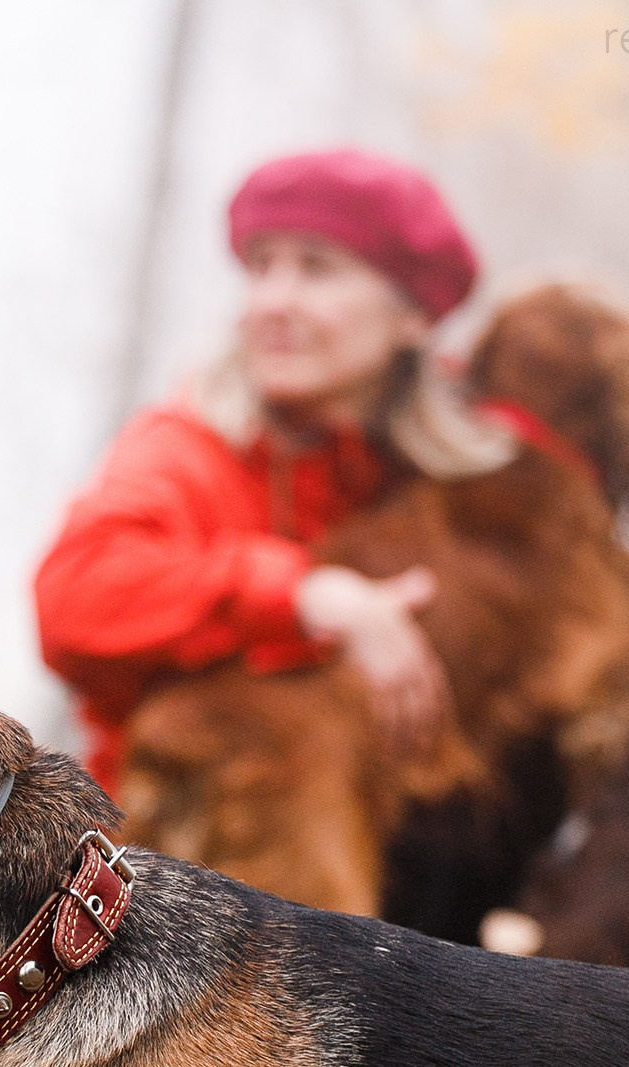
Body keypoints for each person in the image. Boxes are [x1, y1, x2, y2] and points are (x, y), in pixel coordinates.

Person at [34, 149, 510, 800]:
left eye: (317, 269)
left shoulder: (460, 483)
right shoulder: (186, 447)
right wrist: (306, 599)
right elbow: (74, 598)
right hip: (175, 863)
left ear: (413, 315)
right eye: (260, 267)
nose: (273, 302)